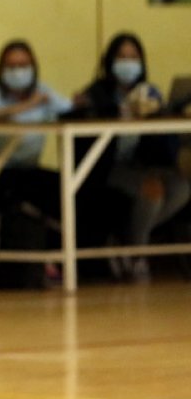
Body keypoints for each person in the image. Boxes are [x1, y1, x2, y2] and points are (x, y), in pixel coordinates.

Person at [66, 32, 191, 280]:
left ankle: (126, 239)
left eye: (133, 57)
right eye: (122, 57)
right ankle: (137, 255)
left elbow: (163, 145)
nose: (128, 63)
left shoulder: (150, 94)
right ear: (110, 62)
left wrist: (161, 113)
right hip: (108, 167)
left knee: (181, 188)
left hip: (141, 164)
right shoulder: (96, 94)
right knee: (152, 190)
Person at [0, 40, 72, 220]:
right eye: (11, 66)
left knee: (70, 190)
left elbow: (69, 109)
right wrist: (24, 106)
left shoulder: (41, 91)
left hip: (28, 170)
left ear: (33, 67)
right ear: (1, 70)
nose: (18, 72)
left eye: (23, 66)